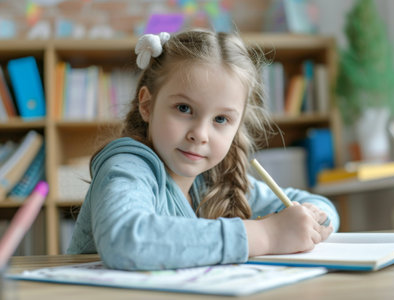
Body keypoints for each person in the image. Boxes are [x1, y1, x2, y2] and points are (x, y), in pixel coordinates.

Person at [67, 29, 339, 271]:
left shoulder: (214, 181)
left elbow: (322, 208)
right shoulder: (128, 165)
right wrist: (266, 235)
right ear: (147, 105)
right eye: (184, 109)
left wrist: (308, 223)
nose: (200, 134)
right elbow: (124, 240)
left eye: (221, 119)